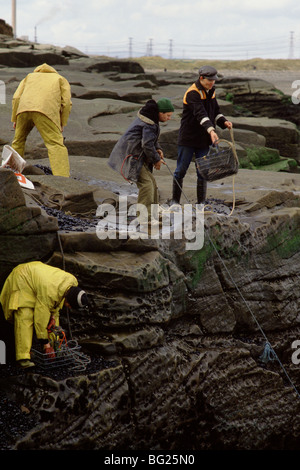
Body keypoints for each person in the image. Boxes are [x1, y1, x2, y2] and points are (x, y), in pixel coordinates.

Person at [0, 261, 88, 368]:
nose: (68, 307)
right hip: (23, 278)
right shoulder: (50, 291)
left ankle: (56, 348)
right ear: (69, 300)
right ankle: (23, 358)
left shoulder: (70, 283)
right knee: (25, 316)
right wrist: (45, 342)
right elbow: (40, 317)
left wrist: (53, 317)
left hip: (39, 281)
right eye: (70, 305)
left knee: (53, 323)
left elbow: (56, 302)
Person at [172, 65, 233, 205]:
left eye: (214, 80)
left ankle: (201, 203)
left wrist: (224, 122)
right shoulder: (192, 93)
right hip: (188, 138)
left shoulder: (211, 91)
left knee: (203, 171)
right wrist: (212, 130)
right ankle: (175, 201)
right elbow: (201, 114)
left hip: (204, 140)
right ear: (201, 78)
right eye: (209, 80)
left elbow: (215, 112)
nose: (212, 83)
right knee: (181, 170)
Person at [108, 98, 174, 223]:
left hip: (138, 155)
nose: (169, 118)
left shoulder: (150, 118)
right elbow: (147, 145)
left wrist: (158, 148)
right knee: (147, 185)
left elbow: (151, 140)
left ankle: (153, 212)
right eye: (168, 115)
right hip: (132, 156)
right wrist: (156, 160)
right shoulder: (149, 123)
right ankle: (145, 217)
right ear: (160, 113)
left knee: (152, 182)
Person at [11, 63, 72, 177]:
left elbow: (16, 97)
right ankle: (62, 177)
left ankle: (13, 172)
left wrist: (15, 117)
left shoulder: (29, 76)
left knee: (18, 141)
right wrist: (62, 122)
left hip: (23, 109)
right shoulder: (59, 78)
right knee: (55, 144)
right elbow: (66, 102)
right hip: (45, 112)